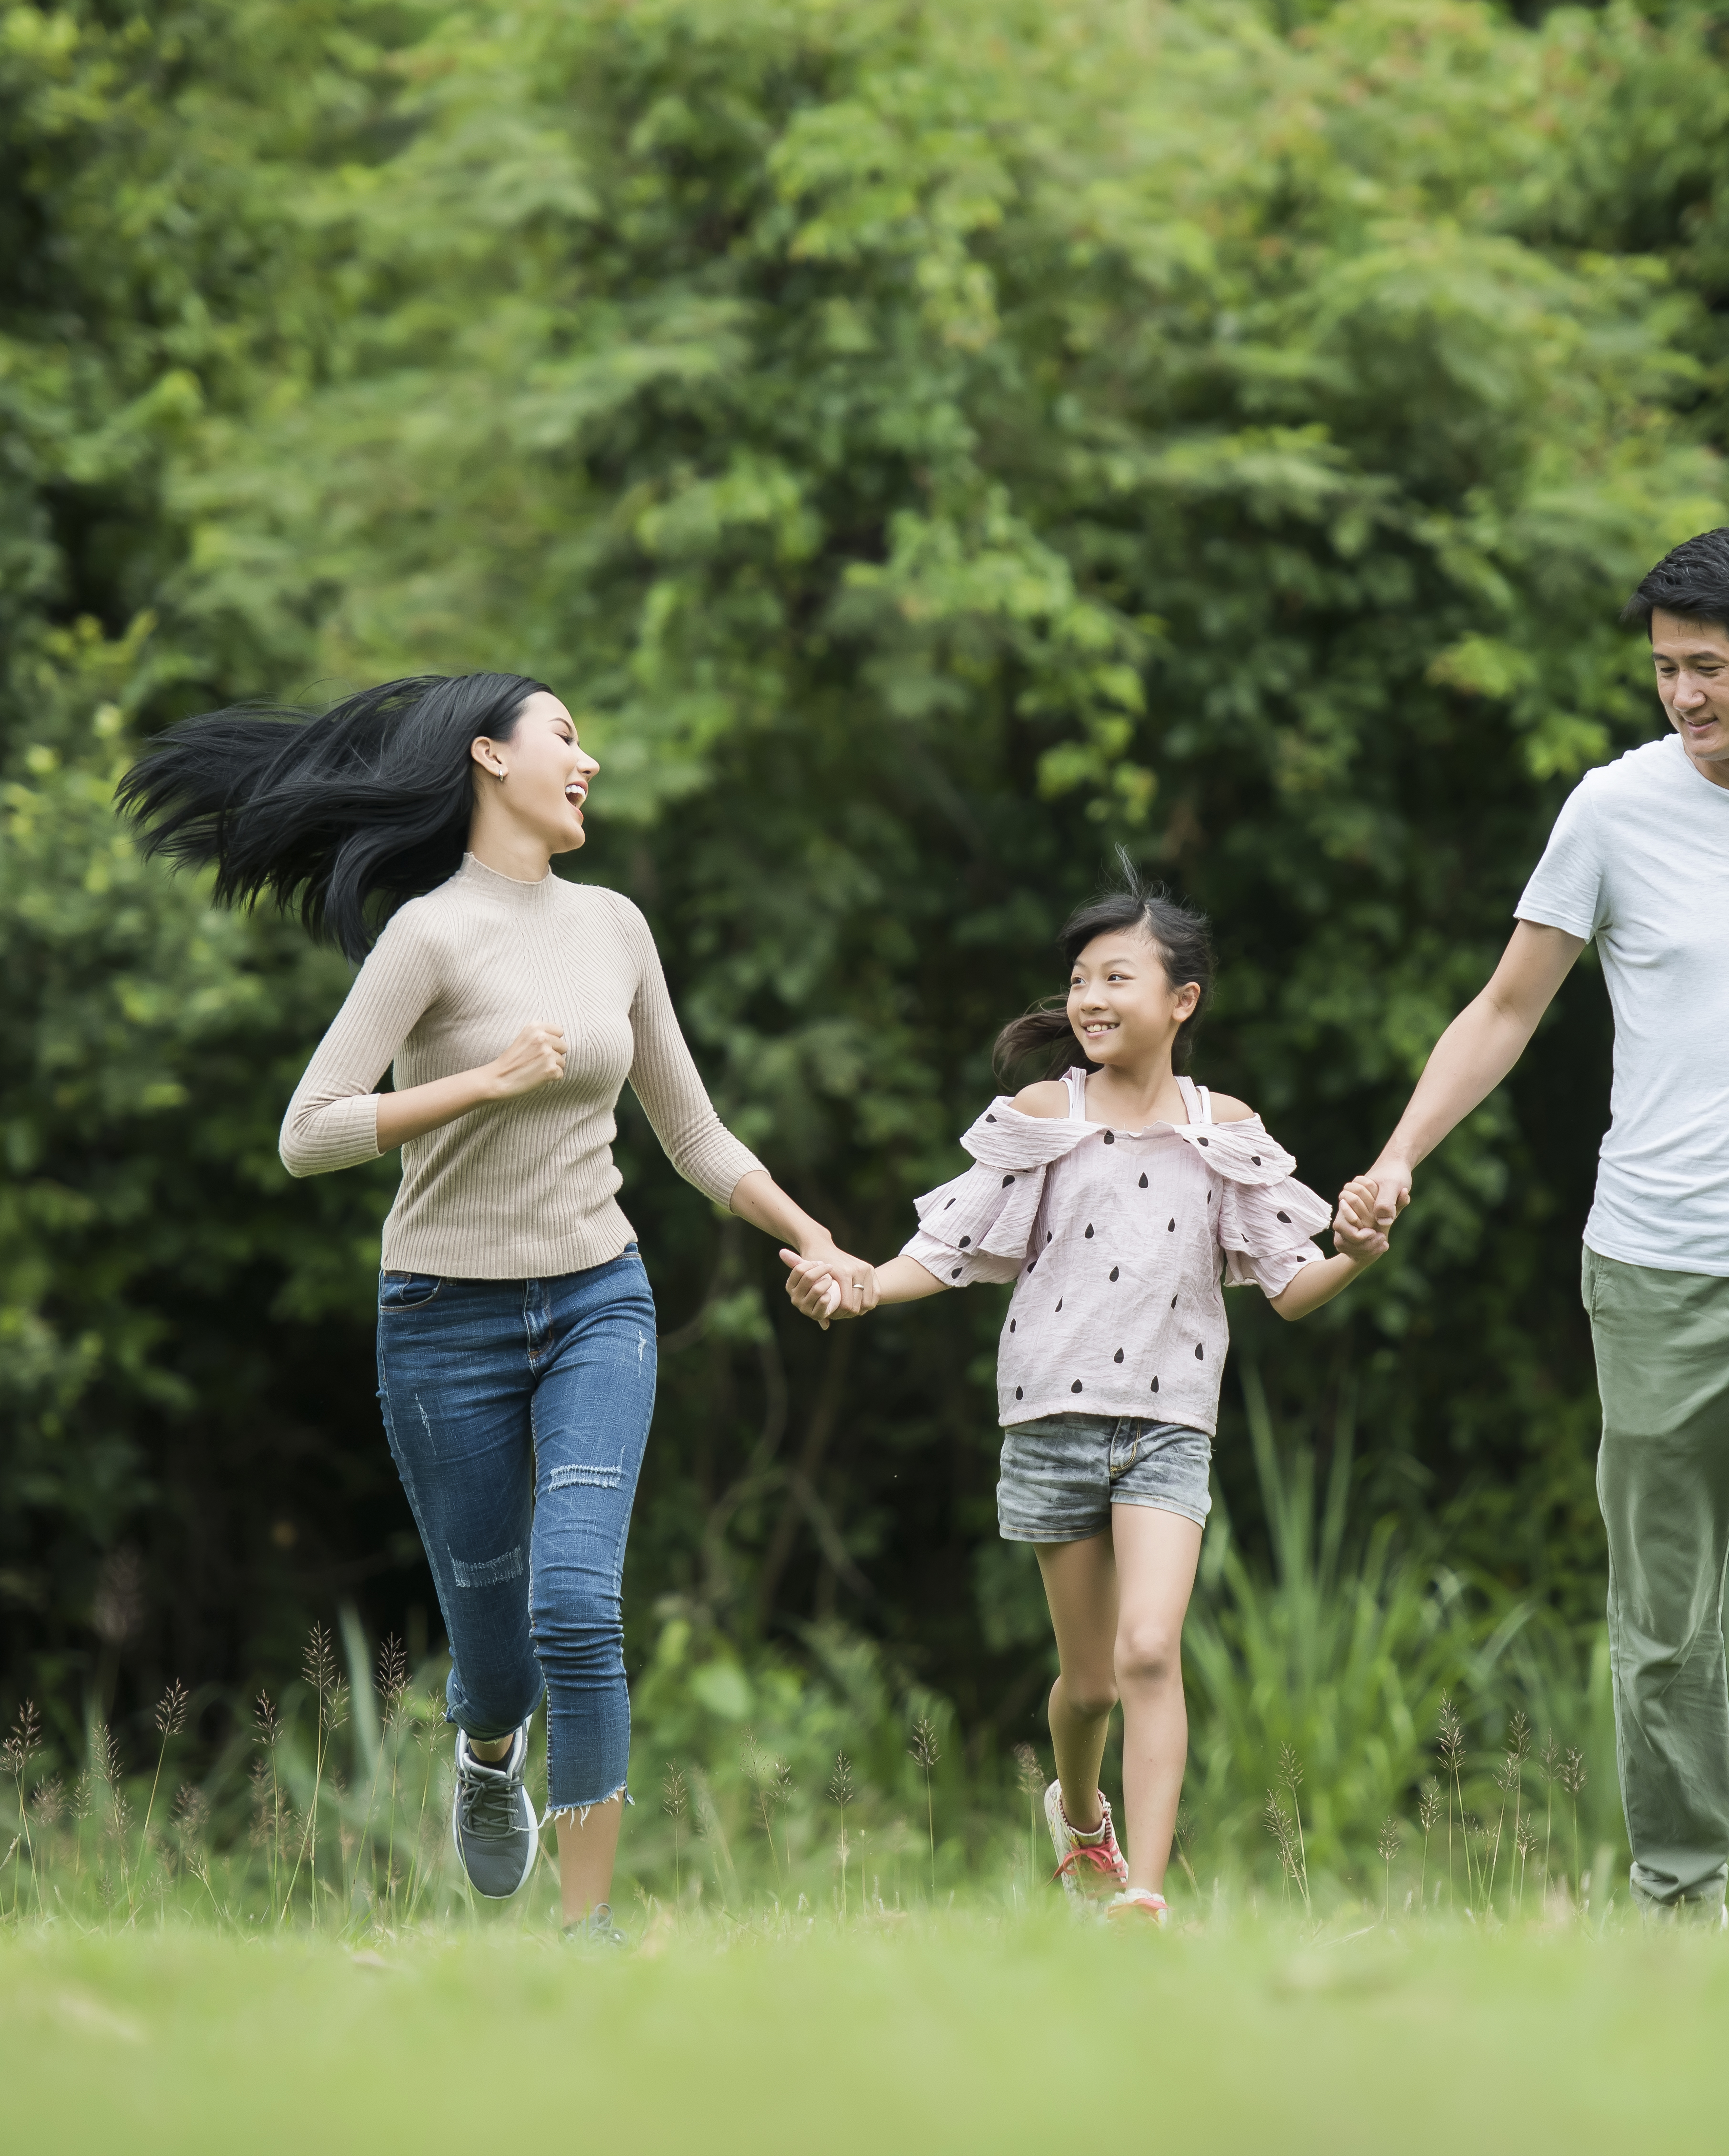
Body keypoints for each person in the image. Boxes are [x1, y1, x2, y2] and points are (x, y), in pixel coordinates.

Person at [117, 672, 873, 1945]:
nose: (589, 761)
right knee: (498, 1652)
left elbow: (689, 1132)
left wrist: (813, 1237)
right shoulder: (429, 936)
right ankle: (486, 1751)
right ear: (488, 758)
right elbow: (309, 1135)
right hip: (440, 1322)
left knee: (578, 1603)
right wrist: (481, 1082)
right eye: (565, 737)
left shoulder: (617, 926)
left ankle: (589, 1931)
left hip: (598, 1300)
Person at [1337, 529, 1729, 1922]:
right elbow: (1507, 1007)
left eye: (1710, 669)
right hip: (1655, 1262)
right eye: (1664, 670)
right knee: (1667, 1623)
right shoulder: (1613, 812)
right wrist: (1398, 1155)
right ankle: (1679, 1903)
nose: (1683, 696)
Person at [788, 886, 1389, 1925]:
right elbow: (944, 1251)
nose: (1089, 997)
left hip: (1168, 1422)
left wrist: (1356, 1254)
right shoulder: (1043, 1118)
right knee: (1092, 1685)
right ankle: (1078, 1812)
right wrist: (854, 1285)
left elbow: (1289, 1287)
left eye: (1116, 976)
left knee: (1150, 1647)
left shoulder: (1223, 1129)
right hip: (1050, 1415)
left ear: (1181, 998)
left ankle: (1144, 1890)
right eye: (1078, 980)